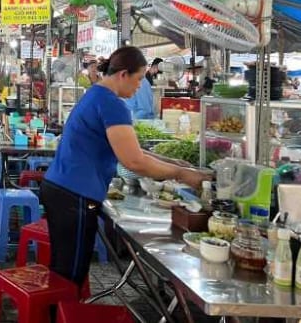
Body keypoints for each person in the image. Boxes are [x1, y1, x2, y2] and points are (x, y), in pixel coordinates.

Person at [41, 46, 211, 302]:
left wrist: (171, 161)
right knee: (69, 275)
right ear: (123, 74)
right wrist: (182, 174)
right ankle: (60, 316)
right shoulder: (111, 104)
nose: (141, 86)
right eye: (139, 78)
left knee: (65, 268)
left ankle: (59, 314)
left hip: (62, 189)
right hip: (74, 195)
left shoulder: (96, 95)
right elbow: (134, 161)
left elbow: (132, 149)